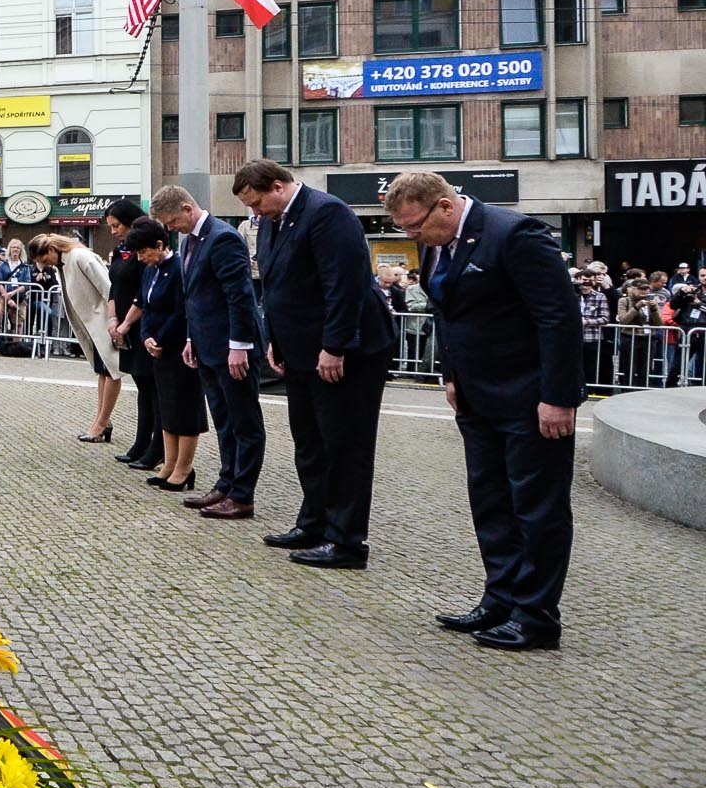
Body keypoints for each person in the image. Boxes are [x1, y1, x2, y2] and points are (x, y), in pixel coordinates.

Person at [384, 171, 582, 651]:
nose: (412, 237)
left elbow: (557, 317)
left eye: (415, 226)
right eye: (404, 230)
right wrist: (450, 375)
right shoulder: (436, 242)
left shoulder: (515, 234)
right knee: (490, 502)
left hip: (528, 398)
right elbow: (447, 313)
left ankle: (535, 616)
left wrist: (559, 397)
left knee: (536, 507)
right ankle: (500, 599)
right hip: (475, 398)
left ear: (444, 206)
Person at [234, 160, 395, 568]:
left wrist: (335, 345)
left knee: (344, 444)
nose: (255, 212)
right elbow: (275, 286)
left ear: (277, 186)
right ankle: (314, 523)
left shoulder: (327, 213)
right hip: (300, 350)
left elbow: (343, 284)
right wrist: (276, 341)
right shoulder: (273, 222)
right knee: (309, 442)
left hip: (344, 352)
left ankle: (346, 541)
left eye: (257, 202)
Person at [150, 185, 266, 521]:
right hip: (206, 346)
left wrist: (239, 345)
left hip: (231, 348)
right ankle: (226, 483)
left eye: (173, 221)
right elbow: (194, 297)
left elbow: (239, 295)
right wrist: (191, 338)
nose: (171, 229)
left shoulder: (223, 238)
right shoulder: (188, 241)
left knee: (244, 421)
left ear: (187, 208)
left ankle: (242, 494)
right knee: (224, 421)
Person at [126, 217, 206, 494]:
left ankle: (184, 467)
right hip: (157, 350)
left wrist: (160, 338)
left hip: (178, 348)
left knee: (185, 408)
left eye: (144, 252)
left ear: (160, 245)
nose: (141, 258)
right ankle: (169, 463)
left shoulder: (178, 268)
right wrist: (146, 335)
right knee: (166, 407)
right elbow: (146, 306)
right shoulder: (150, 271)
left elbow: (180, 310)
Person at [30, 233, 122, 442]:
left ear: (51, 250)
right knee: (103, 372)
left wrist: (114, 318)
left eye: (45, 260)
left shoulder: (80, 257)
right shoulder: (64, 263)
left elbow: (108, 287)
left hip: (103, 321)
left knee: (111, 371)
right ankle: (102, 420)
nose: (46, 264)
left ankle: (101, 423)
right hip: (93, 324)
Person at [104, 200, 161, 471]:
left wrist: (126, 322)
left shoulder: (144, 253)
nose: (114, 231)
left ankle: (157, 447)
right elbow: (113, 287)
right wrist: (112, 318)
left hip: (141, 325)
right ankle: (141, 443)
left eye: (117, 225)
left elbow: (143, 292)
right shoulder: (119, 251)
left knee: (154, 388)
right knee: (142, 386)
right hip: (124, 324)